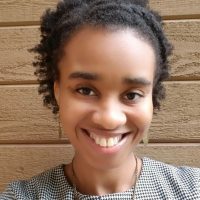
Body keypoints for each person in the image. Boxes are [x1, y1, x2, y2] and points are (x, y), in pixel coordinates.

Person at [1, 0, 200, 199]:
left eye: (132, 95)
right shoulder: (22, 196)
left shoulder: (192, 190)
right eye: (86, 90)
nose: (109, 119)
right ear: (58, 92)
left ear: (152, 99)